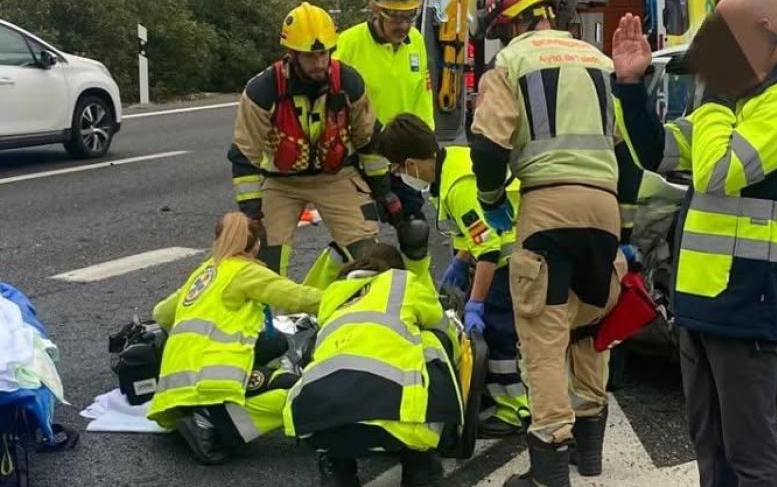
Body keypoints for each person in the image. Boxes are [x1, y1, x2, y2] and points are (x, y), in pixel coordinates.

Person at [610, 0, 777, 487]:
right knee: (709, 443)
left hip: (748, 298)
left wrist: (714, 96)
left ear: (772, 39)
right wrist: (630, 84)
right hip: (698, 297)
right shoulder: (738, 102)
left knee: (749, 451)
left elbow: (716, 171)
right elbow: (658, 150)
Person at [468, 0, 638, 487]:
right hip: (604, 209)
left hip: (546, 208)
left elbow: (488, 148)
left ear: (513, 22)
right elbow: (625, 157)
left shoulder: (511, 61)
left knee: (542, 334)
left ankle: (548, 463)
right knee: (589, 328)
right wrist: (622, 225)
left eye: (501, 29)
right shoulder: (601, 63)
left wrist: (492, 200)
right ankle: (589, 451)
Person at [377, 112, 529, 437]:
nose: (398, 175)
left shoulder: (457, 186)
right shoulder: (456, 161)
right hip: (515, 253)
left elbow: (489, 250)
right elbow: (478, 234)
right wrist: (461, 260)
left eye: (398, 168)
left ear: (412, 163)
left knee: (499, 334)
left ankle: (513, 410)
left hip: (511, 262)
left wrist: (476, 304)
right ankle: (501, 396)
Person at [228, 1, 401, 276]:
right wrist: (251, 212)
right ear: (291, 54)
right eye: (311, 56)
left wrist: (384, 192)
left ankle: (347, 295)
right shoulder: (263, 90)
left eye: (324, 54)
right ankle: (267, 318)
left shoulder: (348, 83)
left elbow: (370, 142)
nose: (320, 63)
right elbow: (244, 156)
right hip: (281, 182)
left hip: (337, 177)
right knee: (264, 265)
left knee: (369, 257)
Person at [283, 233, 462, 487]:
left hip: (318, 421)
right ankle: (420, 464)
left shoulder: (334, 292)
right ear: (396, 266)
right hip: (393, 413)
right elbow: (443, 328)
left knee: (322, 347)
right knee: (433, 342)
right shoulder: (402, 282)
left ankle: (336, 467)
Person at [148, 212, 323, 465]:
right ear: (257, 245)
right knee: (296, 390)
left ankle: (202, 412)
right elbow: (298, 297)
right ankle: (212, 422)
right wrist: (347, 296)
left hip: (178, 381)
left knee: (275, 343)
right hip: (211, 379)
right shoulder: (245, 271)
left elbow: (161, 313)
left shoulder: (206, 270)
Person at [335, 0, 434, 220]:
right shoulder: (348, 44)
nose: (403, 25)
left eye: (409, 17)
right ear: (376, 10)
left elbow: (422, 98)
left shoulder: (417, 42)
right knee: (358, 239)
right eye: (395, 17)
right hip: (358, 159)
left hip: (400, 161)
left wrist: (426, 148)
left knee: (415, 230)